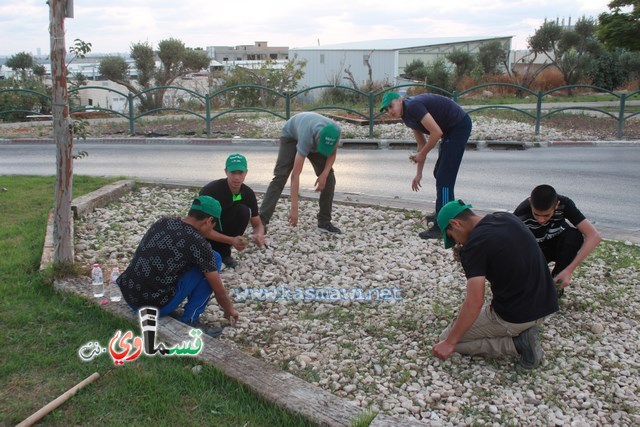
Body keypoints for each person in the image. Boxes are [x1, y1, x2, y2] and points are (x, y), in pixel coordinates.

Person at [432, 200, 559, 369]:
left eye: (451, 237)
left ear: (456, 223)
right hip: (546, 304)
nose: (457, 244)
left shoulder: (474, 246)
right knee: (457, 333)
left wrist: (449, 342)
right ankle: (524, 332)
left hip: (516, 316)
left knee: (447, 338)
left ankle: (517, 344)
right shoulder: (506, 218)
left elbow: (474, 302)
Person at [117, 195, 239, 337]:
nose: (211, 230)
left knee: (200, 261)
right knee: (215, 258)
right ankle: (190, 320)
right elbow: (220, 292)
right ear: (209, 221)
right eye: (213, 226)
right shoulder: (198, 243)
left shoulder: (163, 222)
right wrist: (229, 309)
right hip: (154, 307)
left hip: (129, 295)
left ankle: (166, 300)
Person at [380, 92, 472, 240]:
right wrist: (418, 173)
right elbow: (421, 144)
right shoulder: (407, 117)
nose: (390, 111)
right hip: (449, 131)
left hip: (459, 125)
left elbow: (436, 133)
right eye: (386, 110)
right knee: (439, 173)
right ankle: (447, 212)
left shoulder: (414, 107)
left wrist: (422, 154)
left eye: (391, 106)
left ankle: (442, 225)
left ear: (399, 100)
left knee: (445, 177)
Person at [259, 112, 342, 233]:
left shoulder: (336, 131)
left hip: (312, 134)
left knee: (329, 178)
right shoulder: (307, 137)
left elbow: (332, 153)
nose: (321, 151)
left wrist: (324, 174)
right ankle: (261, 222)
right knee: (281, 176)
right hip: (291, 135)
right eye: (321, 147)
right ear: (318, 139)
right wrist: (294, 209)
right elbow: (295, 175)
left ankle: (324, 222)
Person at [514, 184, 601, 297]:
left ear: (556, 205)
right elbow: (510, 245)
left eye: (546, 215)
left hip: (557, 244)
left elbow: (594, 236)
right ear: (531, 203)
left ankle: (556, 282)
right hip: (534, 249)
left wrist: (569, 270)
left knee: (574, 236)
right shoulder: (521, 213)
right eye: (536, 214)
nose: (541, 220)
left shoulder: (565, 204)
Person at [199, 153, 265, 269]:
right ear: (226, 172)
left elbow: (257, 224)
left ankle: (223, 253)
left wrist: (258, 234)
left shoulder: (248, 193)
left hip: (224, 227)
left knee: (243, 211)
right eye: (233, 172)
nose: (237, 177)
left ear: (246, 173)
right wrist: (232, 240)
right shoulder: (210, 191)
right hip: (202, 236)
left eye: (240, 172)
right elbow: (201, 227)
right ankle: (207, 251)